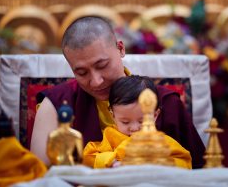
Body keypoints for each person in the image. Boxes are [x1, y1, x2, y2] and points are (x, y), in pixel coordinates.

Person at [30, 16, 205, 168]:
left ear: (121, 49)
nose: (96, 81)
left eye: (102, 65)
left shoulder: (165, 101)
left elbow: (198, 170)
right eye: (82, 73)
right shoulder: (57, 104)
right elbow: (43, 176)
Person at [83, 75, 192, 169]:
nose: (134, 128)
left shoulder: (161, 141)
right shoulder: (111, 136)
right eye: (125, 122)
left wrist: (160, 165)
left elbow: (184, 161)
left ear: (154, 115)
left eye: (142, 121)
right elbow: (89, 156)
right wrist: (111, 162)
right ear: (113, 115)